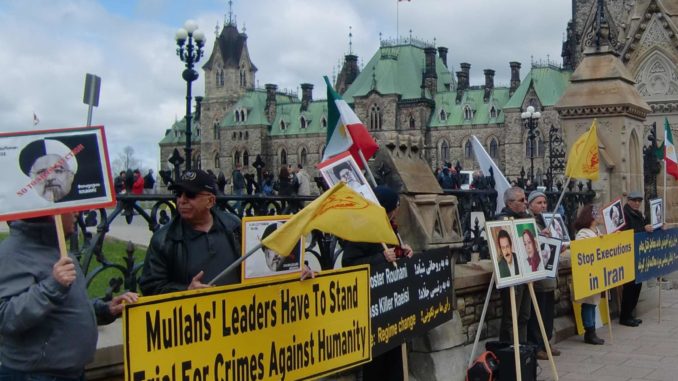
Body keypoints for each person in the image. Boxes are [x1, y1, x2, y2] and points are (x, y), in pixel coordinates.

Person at [0, 212, 138, 380]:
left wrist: (106, 309)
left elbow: (66, 307)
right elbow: (6, 317)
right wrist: (53, 285)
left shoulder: (58, 249)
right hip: (35, 374)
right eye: (70, 208)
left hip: (70, 372)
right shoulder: (12, 253)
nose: (78, 213)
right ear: (51, 212)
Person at [342, 185, 413, 381]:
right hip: (374, 308)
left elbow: (393, 257)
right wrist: (380, 257)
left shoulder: (391, 228)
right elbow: (349, 263)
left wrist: (403, 253)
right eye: (396, 206)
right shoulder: (363, 230)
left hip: (392, 305)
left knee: (396, 363)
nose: (397, 210)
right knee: (377, 366)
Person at [139, 169, 242, 295]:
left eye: (190, 194)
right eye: (178, 194)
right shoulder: (163, 240)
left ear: (210, 201)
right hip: (193, 312)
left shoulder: (233, 226)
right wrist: (186, 291)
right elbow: (151, 287)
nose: (182, 200)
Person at [525, 190, 560, 359]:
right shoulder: (528, 220)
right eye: (538, 203)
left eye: (544, 203)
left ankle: (546, 342)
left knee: (547, 312)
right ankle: (536, 345)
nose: (542, 205)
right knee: (536, 312)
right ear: (530, 204)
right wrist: (540, 237)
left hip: (549, 273)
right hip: (537, 275)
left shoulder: (547, 219)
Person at [494, 186, 532, 344]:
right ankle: (510, 350)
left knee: (524, 315)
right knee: (512, 316)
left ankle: (522, 349)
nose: (525, 203)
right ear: (510, 203)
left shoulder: (524, 217)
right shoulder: (501, 220)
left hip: (526, 273)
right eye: (521, 200)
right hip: (512, 274)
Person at [619, 191, 654, 327]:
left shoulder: (638, 214)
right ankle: (625, 316)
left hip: (638, 254)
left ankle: (631, 314)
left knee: (637, 285)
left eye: (639, 200)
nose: (637, 203)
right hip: (628, 254)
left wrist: (657, 226)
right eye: (634, 200)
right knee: (629, 286)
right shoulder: (624, 214)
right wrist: (643, 228)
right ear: (629, 200)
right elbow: (625, 233)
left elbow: (647, 225)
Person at [573, 204, 605, 344]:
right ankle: (589, 331)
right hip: (587, 272)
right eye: (598, 214)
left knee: (593, 302)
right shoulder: (583, 233)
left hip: (596, 271)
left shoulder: (596, 230)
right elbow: (583, 249)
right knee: (588, 302)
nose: (601, 217)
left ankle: (592, 330)